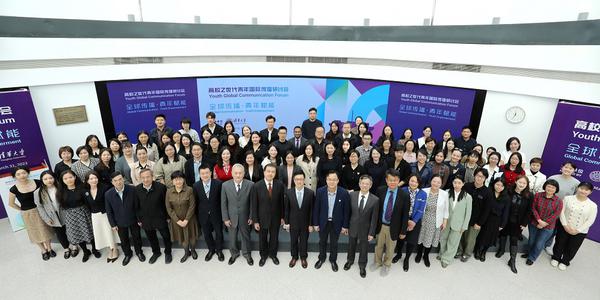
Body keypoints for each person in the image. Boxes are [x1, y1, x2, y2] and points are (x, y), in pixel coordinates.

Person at [8, 167, 54, 260]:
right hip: (27, 213)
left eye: (24, 173)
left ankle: (49, 248)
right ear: (14, 176)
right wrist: (22, 209)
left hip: (41, 210)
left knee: (45, 230)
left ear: (28, 173)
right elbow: (11, 203)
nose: (22, 175)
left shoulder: (38, 182)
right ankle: (43, 250)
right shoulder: (13, 189)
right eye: (18, 174)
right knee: (34, 232)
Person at [551, 182, 597, 270]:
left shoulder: (593, 205)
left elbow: (590, 220)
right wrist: (565, 225)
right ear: (577, 188)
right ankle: (556, 257)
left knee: (572, 247)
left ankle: (565, 261)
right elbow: (561, 212)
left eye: (586, 190)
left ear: (590, 192)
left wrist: (578, 230)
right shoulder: (568, 198)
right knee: (559, 242)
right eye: (581, 188)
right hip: (564, 226)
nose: (583, 191)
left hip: (580, 231)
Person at [372, 169, 409, 276]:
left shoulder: (404, 195)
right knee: (378, 246)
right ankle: (377, 262)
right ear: (386, 180)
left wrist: (403, 231)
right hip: (381, 225)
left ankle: (387, 264)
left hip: (394, 227)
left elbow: (405, 215)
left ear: (399, 181)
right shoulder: (380, 190)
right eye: (390, 180)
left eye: (395, 180)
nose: (392, 182)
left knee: (390, 248)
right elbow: (376, 210)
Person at [105, 171, 145, 266]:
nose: (118, 182)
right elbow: (109, 211)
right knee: (124, 240)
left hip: (133, 219)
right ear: (112, 182)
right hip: (119, 221)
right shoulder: (108, 194)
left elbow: (137, 206)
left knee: (137, 237)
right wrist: (113, 224)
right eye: (115, 181)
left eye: (120, 179)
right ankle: (128, 254)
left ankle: (139, 252)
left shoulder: (132, 190)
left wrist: (139, 219)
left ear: (123, 179)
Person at [313, 170, 350, 272]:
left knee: (334, 243)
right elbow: (316, 209)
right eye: (329, 179)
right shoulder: (320, 191)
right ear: (326, 180)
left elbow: (346, 211)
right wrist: (315, 223)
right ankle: (321, 258)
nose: (332, 182)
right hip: (323, 222)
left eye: (334, 180)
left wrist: (345, 226)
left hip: (336, 223)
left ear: (338, 180)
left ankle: (333, 260)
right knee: (322, 241)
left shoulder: (343, 193)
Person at [344, 175, 380, 278]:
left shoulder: (375, 200)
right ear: (359, 184)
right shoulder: (352, 195)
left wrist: (371, 233)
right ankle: (350, 261)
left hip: (366, 228)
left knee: (364, 248)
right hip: (353, 226)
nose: (364, 185)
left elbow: (374, 218)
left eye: (367, 184)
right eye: (363, 183)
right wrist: (346, 226)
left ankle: (362, 265)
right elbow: (348, 213)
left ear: (370, 185)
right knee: (351, 245)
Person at [58, 170, 97, 262]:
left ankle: (94, 249)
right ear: (62, 180)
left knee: (90, 232)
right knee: (77, 234)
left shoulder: (83, 187)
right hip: (71, 216)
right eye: (65, 178)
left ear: (75, 177)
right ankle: (85, 251)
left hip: (84, 213)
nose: (69, 180)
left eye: (70, 177)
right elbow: (62, 205)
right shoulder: (61, 192)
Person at [134, 169, 172, 264]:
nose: (146, 180)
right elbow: (136, 206)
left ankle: (168, 252)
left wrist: (168, 216)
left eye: (148, 177)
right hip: (146, 219)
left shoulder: (161, 187)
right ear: (140, 178)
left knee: (166, 236)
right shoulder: (137, 189)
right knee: (151, 237)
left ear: (152, 177)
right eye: (143, 178)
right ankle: (156, 252)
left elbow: (166, 203)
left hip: (160, 217)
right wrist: (139, 219)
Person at [495, 175, 531, 274]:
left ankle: (512, 260)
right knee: (503, 234)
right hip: (506, 219)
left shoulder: (529, 195)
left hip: (518, 222)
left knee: (514, 239)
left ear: (526, 185)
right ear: (516, 181)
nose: (522, 185)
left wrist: (524, 223)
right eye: (520, 182)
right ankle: (501, 250)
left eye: (524, 183)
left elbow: (529, 211)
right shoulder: (508, 191)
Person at [82, 171, 120, 263]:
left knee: (109, 232)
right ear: (87, 181)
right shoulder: (85, 191)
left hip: (105, 214)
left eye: (95, 178)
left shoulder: (105, 188)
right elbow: (86, 205)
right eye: (91, 178)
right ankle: (109, 249)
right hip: (95, 216)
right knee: (102, 233)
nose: (94, 180)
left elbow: (110, 203)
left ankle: (114, 249)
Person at [251, 163, 285, 266]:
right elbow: (254, 204)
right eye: (268, 171)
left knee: (274, 237)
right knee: (263, 238)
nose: (270, 173)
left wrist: (282, 217)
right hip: (262, 218)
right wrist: (255, 220)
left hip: (276, 217)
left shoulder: (279, 184)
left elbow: (281, 203)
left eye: (273, 172)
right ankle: (263, 256)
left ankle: (273, 255)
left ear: (275, 173)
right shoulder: (256, 186)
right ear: (264, 172)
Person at [221, 164, 255, 265]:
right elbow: (223, 203)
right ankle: (234, 254)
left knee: (246, 236)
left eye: (240, 173)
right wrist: (225, 218)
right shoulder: (225, 185)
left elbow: (252, 203)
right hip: (231, 217)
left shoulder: (251, 184)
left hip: (245, 216)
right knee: (232, 237)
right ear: (232, 173)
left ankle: (247, 254)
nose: (238, 175)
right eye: (236, 173)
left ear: (244, 173)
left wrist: (251, 216)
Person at [545, 161, 581, 254]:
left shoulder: (576, 183)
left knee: (555, 228)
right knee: (545, 226)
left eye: (570, 168)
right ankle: (539, 243)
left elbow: (575, 198)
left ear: (574, 170)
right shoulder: (553, 178)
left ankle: (548, 245)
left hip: (564, 210)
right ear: (562, 167)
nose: (567, 169)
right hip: (548, 206)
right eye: (566, 167)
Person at [392, 174, 427, 272]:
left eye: (416, 181)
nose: (413, 183)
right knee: (400, 239)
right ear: (408, 181)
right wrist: (406, 220)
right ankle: (398, 254)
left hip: (415, 221)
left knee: (411, 242)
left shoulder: (423, 194)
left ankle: (406, 259)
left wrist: (414, 221)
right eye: (412, 181)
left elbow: (421, 210)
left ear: (419, 183)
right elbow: (398, 207)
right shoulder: (402, 190)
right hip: (403, 219)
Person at [523, 179, 562, 265]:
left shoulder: (558, 201)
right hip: (534, 223)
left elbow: (556, 214)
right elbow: (533, 208)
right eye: (548, 186)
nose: (550, 189)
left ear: (556, 189)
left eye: (553, 187)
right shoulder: (537, 195)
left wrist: (544, 223)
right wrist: (539, 220)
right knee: (531, 241)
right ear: (545, 186)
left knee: (539, 244)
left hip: (548, 227)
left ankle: (532, 258)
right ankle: (528, 252)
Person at [36, 170, 72, 259]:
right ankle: (66, 248)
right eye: (45, 179)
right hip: (53, 217)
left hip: (65, 213)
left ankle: (74, 246)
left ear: (54, 178)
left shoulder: (61, 187)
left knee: (70, 231)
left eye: (50, 178)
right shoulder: (38, 192)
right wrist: (47, 219)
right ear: (42, 180)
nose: (49, 180)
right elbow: (40, 207)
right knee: (60, 234)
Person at [283, 171, 316, 269]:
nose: (299, 181)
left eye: (301, 179)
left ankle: (303, 257)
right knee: (293, 240)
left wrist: (311, 224)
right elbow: (287, 209)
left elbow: (311, 210)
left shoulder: (310, 193)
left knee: (303, 241)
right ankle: (294, 257)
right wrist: (287, 223)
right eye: (297, 179)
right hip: (293, 222)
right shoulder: (288, 192)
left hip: (305, 223)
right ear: (294, 180)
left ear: (304, 180)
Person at [192, 165, 225, 262]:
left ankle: (219, 250)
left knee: (219, 233)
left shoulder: (218, 184)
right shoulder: (196, 186)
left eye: (207, 173)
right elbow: (196, 202)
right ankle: (211, 249)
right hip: (203, 214)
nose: (205, 175)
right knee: (207, 234)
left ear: (210, 173)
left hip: (217, 213)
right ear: (199, 174)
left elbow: (221, 200)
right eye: (202, 173)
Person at [438, 176, 472, 268]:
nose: (456, 185)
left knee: (453, 242)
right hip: (446, 221)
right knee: (443, 238)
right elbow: (442, 208)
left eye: (459, 183)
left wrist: (464, 226)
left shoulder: (467, 197)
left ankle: (446, 259)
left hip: (458, 224)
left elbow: (468, 213)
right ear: (452, 183)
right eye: (455, 182)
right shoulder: (447, 193)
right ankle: (442, 254)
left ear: (463, 184)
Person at [459, 168, 492, 262]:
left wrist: (479, 223)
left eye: (482, 177)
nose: (479, 178)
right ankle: (460, 251)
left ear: (485, 178)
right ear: (474, 176)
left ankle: (467, 253)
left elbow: (487, 210)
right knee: (461, 235)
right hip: (463, 217)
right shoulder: (467, 186)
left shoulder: (488, 192)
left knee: (470, 239)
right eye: (477, 175)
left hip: (476, 221)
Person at [416, 176, 449, 267]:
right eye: (434, 181)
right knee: (421, 237)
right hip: (423, 218)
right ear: (431, 181)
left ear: (441, 184)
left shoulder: (444, 194)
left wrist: (445, 221)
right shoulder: (424, 191)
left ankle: (426, 256)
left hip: (435, 220)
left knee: (430, 239)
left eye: (438, 182)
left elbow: (446, 210)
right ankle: (419, 254)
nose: (436, 184)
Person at [165, 171, 199, 263]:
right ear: (172, 181)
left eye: (180, 179)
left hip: (190, 219)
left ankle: (193, 250)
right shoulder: (168, 192)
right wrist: (177, 221)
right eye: (176, 179)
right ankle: (186, 252)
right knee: (182, 237)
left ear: (183, 180)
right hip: (177, 220)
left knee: (192, 237)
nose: (178, 181)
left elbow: (192, 206)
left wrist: (186, 220)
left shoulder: (189, 190)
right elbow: (169, 208)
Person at [474, 177, 510, 262]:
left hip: (497, 220)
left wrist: (502, 224)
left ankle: (484, 252)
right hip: (486, 218)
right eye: (497, 184)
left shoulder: (506, 198)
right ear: (493, 184)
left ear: (504, 187)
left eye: (501, 186)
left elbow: (506, 212)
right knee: (481, 235)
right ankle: (477, 250)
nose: (499, 187)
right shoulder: (488, 193)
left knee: (491, 237)